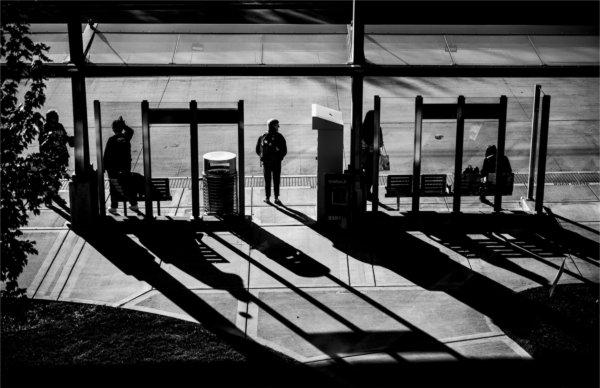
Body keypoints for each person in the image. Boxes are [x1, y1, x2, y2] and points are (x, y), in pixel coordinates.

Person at [103, 116, 140, 214]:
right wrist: (124, 125)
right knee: (127, 184)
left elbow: (106, 155)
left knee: (114, 186)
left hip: (113, 169)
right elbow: (131, 131)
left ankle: (114, 206)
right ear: (121, 128)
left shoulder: (111, 140)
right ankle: (133, 204)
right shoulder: (125, 138)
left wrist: (104, 167)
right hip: (125, 167)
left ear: (113, 129)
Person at [39, 110, 74, 208]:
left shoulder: (59, 126)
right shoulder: (45, 128)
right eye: (55, 116)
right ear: (50, 118)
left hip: (61, 156)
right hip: (50, 158)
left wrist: (71, 139)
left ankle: (55, 195)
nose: (57, 118)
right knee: (50, 178)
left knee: (57, 177)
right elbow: (42, 145)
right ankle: (48, 198)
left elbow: (64, 137)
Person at [255, 118, 287, 205]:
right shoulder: (280, 137)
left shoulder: (262, 136)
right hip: (277, 163)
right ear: (273, 126)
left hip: (266, 163)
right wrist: (279, 158)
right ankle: (276, 198)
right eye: (277, 125)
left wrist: (264, 157)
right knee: (276, 180)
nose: (278, 127)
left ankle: (267, 198)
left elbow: (258, 150)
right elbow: (284, 150)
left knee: (267, 180)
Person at [360, 110, 384, 200]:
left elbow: (359, 142)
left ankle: (365, 192)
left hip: (363, 156)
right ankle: (369, 193)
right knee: (372, 175)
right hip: (373, 156)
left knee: (365, 174)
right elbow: (381, 143)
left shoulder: (362, 128)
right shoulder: (378, 128)